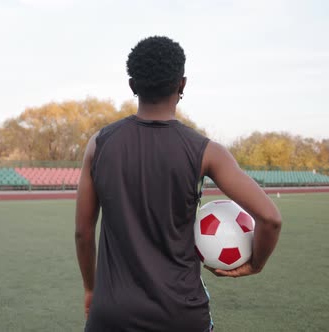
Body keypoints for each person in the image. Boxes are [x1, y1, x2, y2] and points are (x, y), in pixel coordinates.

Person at [75, 36, 282, 332]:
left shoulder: (99, 144)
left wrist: (91, 289)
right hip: (181, 315)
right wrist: (256, 264)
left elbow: (83, 232)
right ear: (182, 85)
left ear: (133, 86)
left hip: (110, 314)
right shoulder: (207, 151)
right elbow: (271, 219)